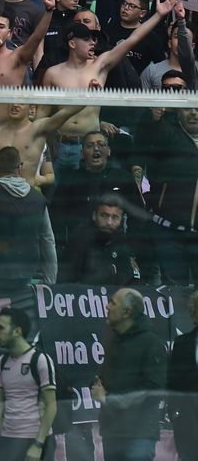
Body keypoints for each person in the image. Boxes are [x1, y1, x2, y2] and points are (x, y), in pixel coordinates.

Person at [43, 0, 177, 166]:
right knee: (58, 192)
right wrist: (47, 145)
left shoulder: (99, 66)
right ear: (72, 43)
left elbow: (132, 40)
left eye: (93, 39)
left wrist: (158, 15)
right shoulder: (52, 73)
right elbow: (43, 114)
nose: (93, 43)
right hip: (61, 145)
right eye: (86, 39)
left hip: (91, 144)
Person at [0, 103, 83, 219]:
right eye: (13, 101)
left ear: (30, 108)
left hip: (26, 197)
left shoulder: (39, 129)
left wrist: (90, 94)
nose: (15, 105)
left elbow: (67, 112)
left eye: (21, 103)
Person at [91, 288, 166, 461]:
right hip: (113, 432)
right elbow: (107, 380)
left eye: (113, 302)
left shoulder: (151, 343)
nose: (107, 306)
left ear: (127, 312)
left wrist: (108, 399)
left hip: (138, 435)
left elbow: (153, 391)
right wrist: (96, 385)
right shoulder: (113, 340)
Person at [0, 147, 58, 286]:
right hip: (26, 272)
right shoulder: (38, 197)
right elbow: (48, 240)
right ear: (19, 168)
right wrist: (50, 280)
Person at [131, 104, 198, 284]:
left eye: (197, 109)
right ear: (178, 111)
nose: (193, 112)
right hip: (168, 233)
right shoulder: (165, 134)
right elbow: (143, 143)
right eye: (187, 108)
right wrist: (151, 120)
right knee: (175, 293)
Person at [50, 130, 145, 251]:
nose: (96, 148)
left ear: (109, 150)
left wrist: (131, 247)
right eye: (90, 146)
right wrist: (61, 246)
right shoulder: (70, 179)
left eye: (101, 145)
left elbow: (137, 215)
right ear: (82, 152)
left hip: (115, 246)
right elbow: (57, 215)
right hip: (79, 247)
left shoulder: (123, 178)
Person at [0, 307, 57, 461]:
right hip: (8, 438)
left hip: (35, 439)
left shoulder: (40, 360)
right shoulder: (1, 362)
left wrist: (38, 445)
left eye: (1, 328)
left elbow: (52, 405)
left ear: (17, 331)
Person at [61, 194, 142, 284]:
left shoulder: (122, 242)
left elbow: (129, 278)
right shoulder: (80, 239)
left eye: (115, 218)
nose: (109, 222)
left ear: (121, 220)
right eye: (104, 215)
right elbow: (68, 277)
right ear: (94, 216)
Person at [102, 0, 166, 75]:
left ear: (142, 13)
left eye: (132, 6)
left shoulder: (150, 36)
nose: (125, 8)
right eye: (124, 3)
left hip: (138, 85)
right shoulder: (108, 30)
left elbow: (161, 65)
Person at [168, 290, 198, 461]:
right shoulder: (182, 344)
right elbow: (173, 383)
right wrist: (174, 413)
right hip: (189, 425)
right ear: (194, 315)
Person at [139, 14, 195, 89]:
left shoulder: (196, 71)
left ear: (192, 46)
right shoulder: (151, 71)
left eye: (186, 39)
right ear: (169, 43)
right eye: (177, 37)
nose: (181, 43)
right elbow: (142, 100)